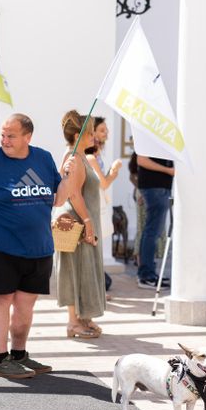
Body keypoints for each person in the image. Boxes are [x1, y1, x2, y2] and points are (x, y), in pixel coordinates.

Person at [0, 113, 76, 379]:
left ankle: (19, 355)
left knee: (26, 305)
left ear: (28, 137)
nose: (5, 140)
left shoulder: (43, 158)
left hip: (38, 247)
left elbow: (58, 199)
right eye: (3, 134)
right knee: (1, 300)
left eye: (11, 135)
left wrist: (68, 176)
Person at [55, 111, 107, 340]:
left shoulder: (80, 155)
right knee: (76, 271)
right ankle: (74, 323)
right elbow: (74, 194)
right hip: (77, 224)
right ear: (78, 135)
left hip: (84, 222)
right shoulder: (74, 158)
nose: (94, 136)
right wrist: (88, 223)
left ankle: (84, 318)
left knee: (86, 270)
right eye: (90, 132)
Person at [84, 116, 122, 296]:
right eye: (101, 130)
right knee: (93, 247)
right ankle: (95, 290)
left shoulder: (94, 155)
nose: (105, 133)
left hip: (95, 204)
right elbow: (104, 183)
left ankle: (97, 288)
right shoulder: (90, 157)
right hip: (92, 206)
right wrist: (114, 172)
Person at [136, 155, 174, 289]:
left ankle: (146, 273)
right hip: (155, 187)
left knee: (151, 231)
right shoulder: (150, 135)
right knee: (152, 232)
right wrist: (168, 170)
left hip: (158, 187)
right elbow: (142, 160)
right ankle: (146, 275)